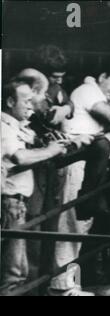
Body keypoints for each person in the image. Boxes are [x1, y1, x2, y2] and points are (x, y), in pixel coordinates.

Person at [50, 66, 110, 295]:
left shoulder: (97, 93)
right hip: (76, 164)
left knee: (80, 225)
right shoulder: (88, 89)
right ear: (102, 77)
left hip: (89, 166)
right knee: (70, 222)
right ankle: (62, 286)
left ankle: (69, 285)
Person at [1, 77, 67, 292]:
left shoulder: (17, 126)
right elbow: (19, 158)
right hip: (10, 204)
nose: (31, 105)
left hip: (14, 204)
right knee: (13, 274)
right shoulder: (4, 126)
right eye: (26, 101)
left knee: (15, 271)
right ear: (10, 102)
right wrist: (51, 150)